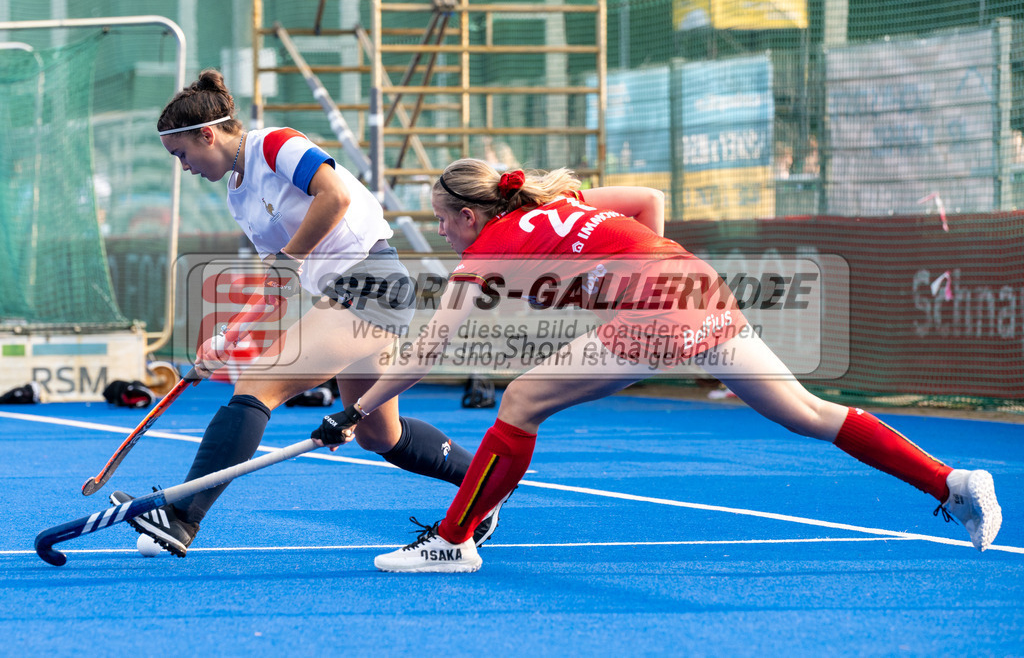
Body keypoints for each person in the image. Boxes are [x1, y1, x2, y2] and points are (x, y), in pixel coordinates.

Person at [311, 158, 1003, 573]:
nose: (439, 230)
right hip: (697, 284)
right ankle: (953, 479)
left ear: (469, 215)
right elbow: (643, 203)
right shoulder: (558, 207)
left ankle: (455, 538)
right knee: (810, 413)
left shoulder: (483, 255)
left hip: (660, 311)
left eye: (440, 218)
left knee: (522, 399)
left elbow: (431, 348)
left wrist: (357, 408)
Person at [109, 70, 504, 557]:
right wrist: (226, 338)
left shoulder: (275, 145)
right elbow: (278, 281)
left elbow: (333, 196)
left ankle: (182, 515)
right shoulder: (238, 195)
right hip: (341, 296)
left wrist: (292, 258)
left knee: (258, 385)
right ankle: (483, 490)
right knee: (381, 435)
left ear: (207, 134)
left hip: (371, 285)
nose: (184, 167)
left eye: (182, 155)